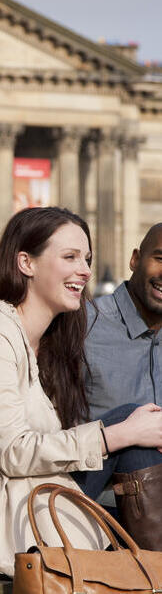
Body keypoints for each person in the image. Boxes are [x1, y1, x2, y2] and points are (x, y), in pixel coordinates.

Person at [0, 207, 162, 580]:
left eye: (86, 259)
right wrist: (117, 435)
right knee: (128, 425)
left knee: (134, 430)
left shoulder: (48, 340)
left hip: (15, 489)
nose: (85, 271)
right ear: (26, 262)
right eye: (70, 257)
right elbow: (13, 452)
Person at [84, 223, 162, 544]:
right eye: (160, 258)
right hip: (92, 503)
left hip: (152, 514)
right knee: (135, 429)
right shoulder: (83, 326)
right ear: (134, 259)